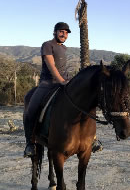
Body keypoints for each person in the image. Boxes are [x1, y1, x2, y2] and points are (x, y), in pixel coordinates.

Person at [23, 22, 102, 157]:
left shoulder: (64, 48)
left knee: (86, 103)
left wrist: (68, 82)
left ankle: (92, 139)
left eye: (66, 33)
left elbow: (63, 69)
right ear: (55, 32)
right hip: (47, 84)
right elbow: (51, 65)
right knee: (31, 110)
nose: (64, 34)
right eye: (61, 31)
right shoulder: (47, 45)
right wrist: (61, 81)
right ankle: (30, 144)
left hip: (64, 82)